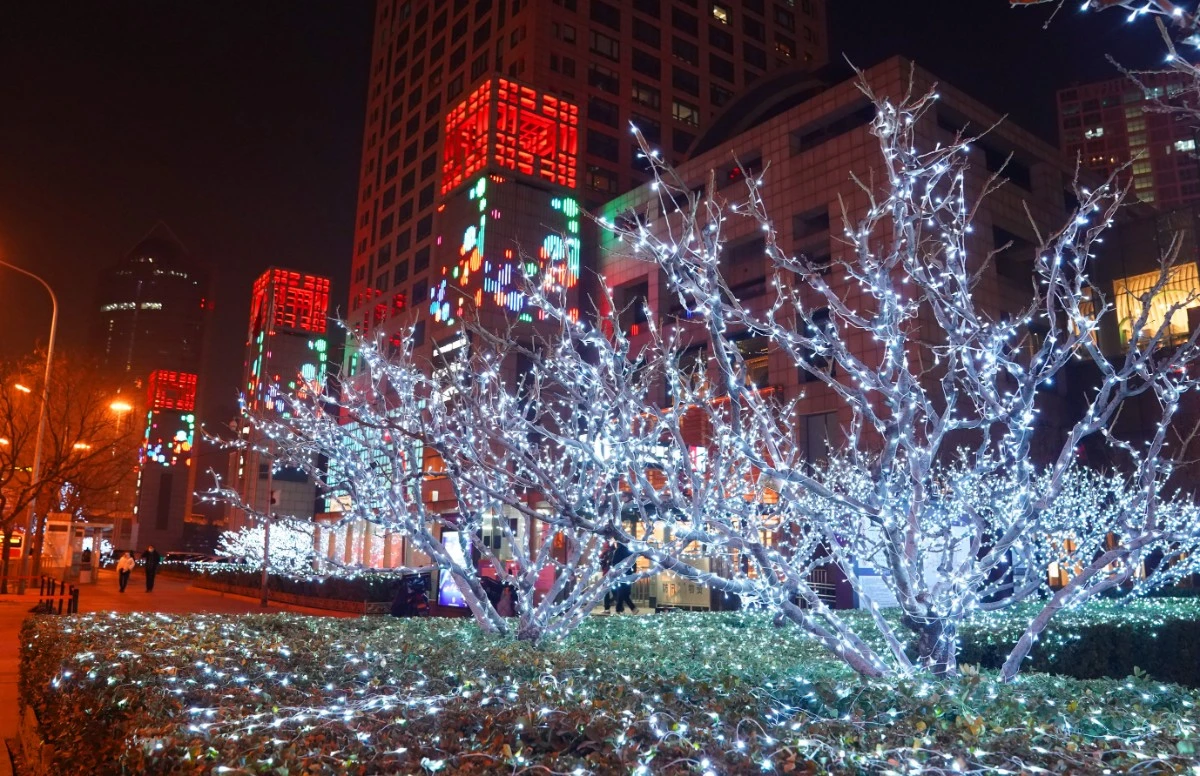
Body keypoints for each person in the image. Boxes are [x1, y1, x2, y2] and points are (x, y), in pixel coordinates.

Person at [610, 541, 638, 614]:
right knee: (625, 592)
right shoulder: (630, 551)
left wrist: (615, 571)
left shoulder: (618, 551)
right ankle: (620, 609)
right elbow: (634, 562)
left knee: (622, 592)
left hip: (620, 574)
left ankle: (628, 608)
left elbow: (614, 563)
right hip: (628, 574)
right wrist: (633, 571)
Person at [600, 541, 615, 614]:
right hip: (612, 574)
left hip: (606, 574)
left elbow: (601, 561)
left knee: (605, 591)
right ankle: (614, 605)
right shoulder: (614, 553)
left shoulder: (605, 553)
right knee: (613, 590)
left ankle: (607, 608)